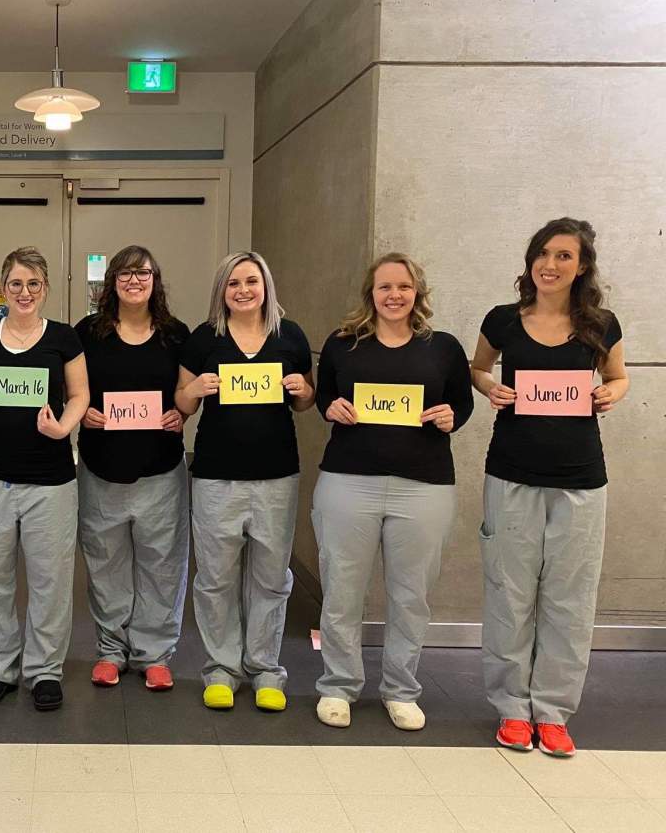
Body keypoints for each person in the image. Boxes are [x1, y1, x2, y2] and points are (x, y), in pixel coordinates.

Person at [470, 218, 628, 757]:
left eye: (564, 256)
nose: (551, 264)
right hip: (511, 473)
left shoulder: (600, 324)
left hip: (582, 481)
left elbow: (619, 376)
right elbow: (478, 369)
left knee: (570, 598)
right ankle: (513, 709)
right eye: (543, 253)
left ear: (581, 267)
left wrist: (613, 393)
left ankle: (554, 712)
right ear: (530, 261)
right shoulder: (502, 321)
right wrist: (492, 388)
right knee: (510, 594)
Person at [312, 253, 473, 732]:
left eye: (403, 286)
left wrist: (451, 418)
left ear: (417, 292)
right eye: (385, 287)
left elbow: (459, 406)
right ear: (371, 294)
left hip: (422, 488)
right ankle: (338, 686)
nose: (394, 295)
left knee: (411, 595)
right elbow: (324, 397)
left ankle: (401, 689)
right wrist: (332, 407)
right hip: (347, 483)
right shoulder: (343, 345)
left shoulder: (442, 348)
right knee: (341, 591)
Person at [175, 251, 315, 712]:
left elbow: (303, 403)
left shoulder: (289, 336)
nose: (242, 290)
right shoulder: (203, 339)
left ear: (265, 286)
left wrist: (303, 390)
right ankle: (221, 668)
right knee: (216, 577)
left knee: (272, 576)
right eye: (233, 283)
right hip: (217, 476)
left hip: (276, 476)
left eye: (251, 281)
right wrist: (192, 390)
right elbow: (183, 404)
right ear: (222, 291)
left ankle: (264, 668)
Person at [0, 246, 88, 711]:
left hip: (50, 479)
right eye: (16, 283)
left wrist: (64, 426)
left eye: (34, 283)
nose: (25, 292)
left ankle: (44, 671)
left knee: (50, 578)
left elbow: (80, 393)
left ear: (45, 288)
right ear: (3, 287)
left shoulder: (64, 339)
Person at [75, 245, 190, 691]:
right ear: (111, 283)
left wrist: (184, 413)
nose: (133, 280)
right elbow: (70, 387)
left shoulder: (176, 335)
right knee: (106, 564)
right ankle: (111, 650)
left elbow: (186, 394)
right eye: (124, 273)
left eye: (142, 273)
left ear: (155, 280)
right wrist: (81, 410)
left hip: (160, 470)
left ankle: (155, 654)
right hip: (101, 468)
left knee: (163, 564)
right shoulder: (87, 333)